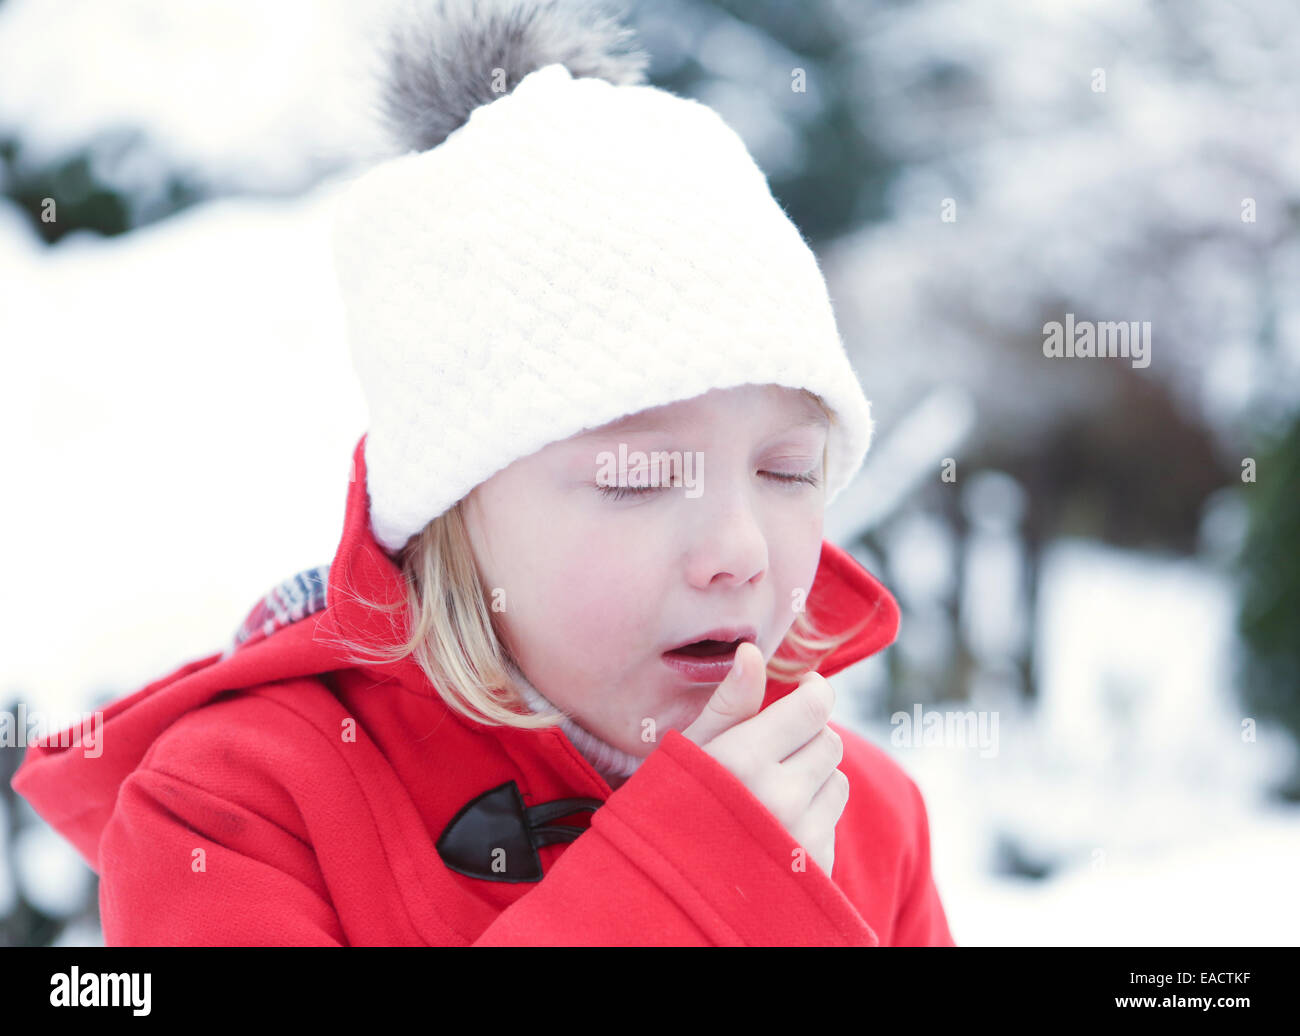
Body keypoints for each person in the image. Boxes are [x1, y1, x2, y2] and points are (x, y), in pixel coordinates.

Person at [11, 0, 955, 946]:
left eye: (789, 470)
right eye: (638, 476)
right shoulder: (238, 810)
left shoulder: (865, 816)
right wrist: (679, 890)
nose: (740, 550)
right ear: (450, 509)